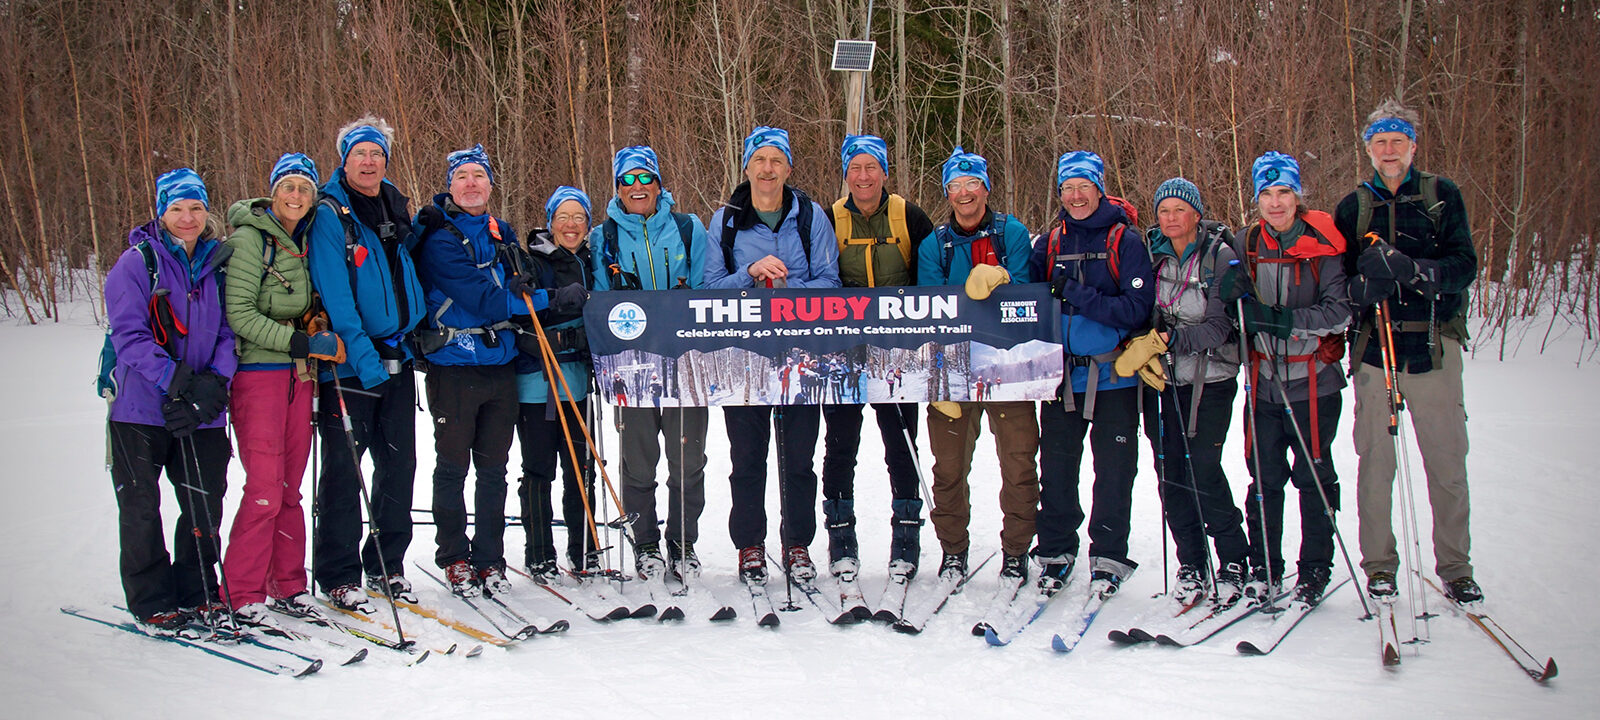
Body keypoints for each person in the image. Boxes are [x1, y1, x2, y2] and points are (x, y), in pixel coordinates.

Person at [413, 144, 584, 597]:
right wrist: (550, 298)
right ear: (450, 185)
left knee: (494, 470)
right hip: (453, 366)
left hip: (500, 365)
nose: (471, 184)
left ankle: (490, 559)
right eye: (462, 176)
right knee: (452, 467)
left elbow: (518, 284)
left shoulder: (500, 230)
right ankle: (454, 557)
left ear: (491, 184)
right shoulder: (440, 240)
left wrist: (535, 282)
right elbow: (485, 300)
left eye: (479, 176)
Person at [1336, 100, 1482, 604]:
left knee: (1446, 463)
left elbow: (1466, 264)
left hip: (1432, 347)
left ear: (1413, 146)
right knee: (1375, 464)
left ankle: (1456, 567)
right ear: (1369, 150)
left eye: (1398, 141)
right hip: (1377, 350)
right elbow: (1341, 283)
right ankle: (1379, 566)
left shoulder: (1441, 196)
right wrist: (1362, 289)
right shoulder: (1353, 207)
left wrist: (1416, 272)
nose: (1389, 150)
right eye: (1379, 142)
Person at [705, 126, 841, 584]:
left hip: (800, 357)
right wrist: (750, 272)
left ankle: (797, 543)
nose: (767, 169)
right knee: (747, 458)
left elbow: (830, 282)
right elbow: (708, 289)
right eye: (759, 160)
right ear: (747, 167)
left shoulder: (811, 215)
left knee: (798, 458)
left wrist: (784, 289)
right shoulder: (725, 219)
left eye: (776, 161)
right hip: (744, 358)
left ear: (788, 167)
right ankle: (750, 545)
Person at [104, 168, 235, 628]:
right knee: (141, 505)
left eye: (195, 207)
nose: (187, 217)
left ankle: (198, 589)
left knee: (204, 502)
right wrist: (173, 380)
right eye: (177, 208)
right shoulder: (137, 263)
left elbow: (228, 330)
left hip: (202, 409)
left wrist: (214, 384)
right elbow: (129, 334)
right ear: (162, 213)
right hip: (140, 408)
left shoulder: (218, 263)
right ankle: (152, 598)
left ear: (206, 211)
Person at [307, 116, 425, 612]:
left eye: (377, 153)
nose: (369, 161)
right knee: (344, 470)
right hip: (354, 366)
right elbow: (336, 295)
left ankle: (386, 563)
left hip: (398, 355)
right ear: (344, 159)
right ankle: (337, 572)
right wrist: (364, 356)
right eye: (360, 153)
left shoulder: (395, 206)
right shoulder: (332, 214)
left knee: (399, 466)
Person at [221, 153, 345, 622]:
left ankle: (288, 584)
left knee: (291, 488)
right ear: (273, 191)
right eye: (288, 187)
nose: (296, 196)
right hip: (260, 376)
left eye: (305, 189)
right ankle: (242, 592)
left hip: (300, 376)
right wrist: (298, 340)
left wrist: (316, 322)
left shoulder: (305, 241)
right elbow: (241, 314)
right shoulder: (251, 240)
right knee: (264, 489)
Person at [1027, 150, 1155, 598]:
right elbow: (1029, 297)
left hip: (1114, 375)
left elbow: (1137, 309)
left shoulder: (1126, 240)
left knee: (1114, 470)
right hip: (1062, 378)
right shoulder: (1051, 241)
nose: (1076, 196)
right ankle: (1056, 552)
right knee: (1057, 469)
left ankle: (1109, 556)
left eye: (1084, 186)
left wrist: (1077, 292)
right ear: (1060, 193)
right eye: (1068, 188)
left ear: (1099, 188)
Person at [1119, 177, 1250, 608]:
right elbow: (1142, 310)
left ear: (1196, 213)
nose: (1171, 218)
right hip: (1162, 382)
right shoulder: (1153, 255)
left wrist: (1168, 341)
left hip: (1210, 382)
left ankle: (1233, 558)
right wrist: (1144, 344)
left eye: (1179, 210)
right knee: (1169, 473)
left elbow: (1219, 327)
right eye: (1164, 211)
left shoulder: (1220, 257)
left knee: (1205, 470)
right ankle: (1192, 562)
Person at [1228, 151, 1351, 606]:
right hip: (1263, 380)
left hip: (1313, 381)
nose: (1275, 203)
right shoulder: (1247, 243)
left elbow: (1339, 310)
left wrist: (1285, 320)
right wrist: (1233, 293)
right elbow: (1230, 295)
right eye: (1266, 194)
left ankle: (1316, 566)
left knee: (1314, 477)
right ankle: (1264, 565)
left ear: (1297, 196)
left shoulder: (1324, 243)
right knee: (1264, 479)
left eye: (1284, 193)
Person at [916, 147, 1039, 590]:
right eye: (956, 186)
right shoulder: (936, 245)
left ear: (986, 188)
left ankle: (1017, 551)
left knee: (1019, 464)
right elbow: (931, 309)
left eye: (972, 184)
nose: (964, 194)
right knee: (948, 468)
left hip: (1008, 367)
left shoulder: (1013, 235)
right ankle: (952, 551)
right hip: (953, 372)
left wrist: (1003, 280)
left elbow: (1029, 298)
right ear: (947, 193)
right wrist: (939, 379)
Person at [590, 145, 712, 582]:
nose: (638, 188)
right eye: (629, 180)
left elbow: (705, 288)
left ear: (659, 184)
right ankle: (645, 543)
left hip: (686, 364)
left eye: (646, 179)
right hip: (632, 368)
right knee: (638, 462)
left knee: (687, 459)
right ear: (618, 188)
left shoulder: (687, 228)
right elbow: (601, 302)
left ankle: (682, 543)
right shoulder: (602, 237)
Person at [819, 133, 936, 583]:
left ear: (884, 173)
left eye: (871, 168)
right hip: (845, 353)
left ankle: (906, 535)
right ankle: (840, 535)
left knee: (901, 445)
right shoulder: (829, 218)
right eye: (855, 168)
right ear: (846, 174)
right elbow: (817, 277)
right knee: (841, 445)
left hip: (897, 354)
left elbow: (930, 281)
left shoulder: (908, 215)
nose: (863, 176)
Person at [516, 186, 601, 581]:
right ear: (550, 222)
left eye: (578, 218)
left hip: (580, 385)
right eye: (563, 218)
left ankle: (584, 550)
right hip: (539, 386)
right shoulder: (531, 259)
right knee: (539, 470)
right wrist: (562, 316)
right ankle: (539, 554)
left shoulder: (594, 259)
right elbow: (522, 314)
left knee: (581, 469)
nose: (571, 225)